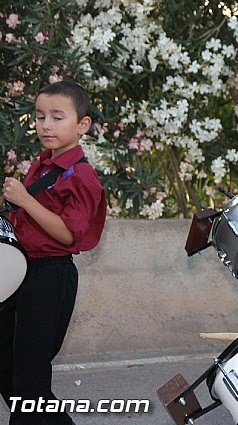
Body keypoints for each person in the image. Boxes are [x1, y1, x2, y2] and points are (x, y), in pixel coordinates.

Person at [0, 80, 107, 425]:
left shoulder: (82, 176)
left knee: (30, 378)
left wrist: (25, 200)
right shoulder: (44, 165)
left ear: (82, 125)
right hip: (20, 273)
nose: (46, 125)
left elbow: (66, 233)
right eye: (40, 116)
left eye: (57, 117)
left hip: (50, 276)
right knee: (7, 368)